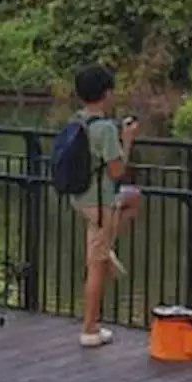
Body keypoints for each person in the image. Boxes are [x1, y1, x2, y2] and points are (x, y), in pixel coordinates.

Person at [69, 64, 141, 347]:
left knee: (133, 198)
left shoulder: (78, 121)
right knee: (96, 267)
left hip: (81, 198)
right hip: (100, 204)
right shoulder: (105, 130)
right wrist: (128, 140)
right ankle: (90, 328)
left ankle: (107, 245)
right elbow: (117, 171)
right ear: (107, 93)